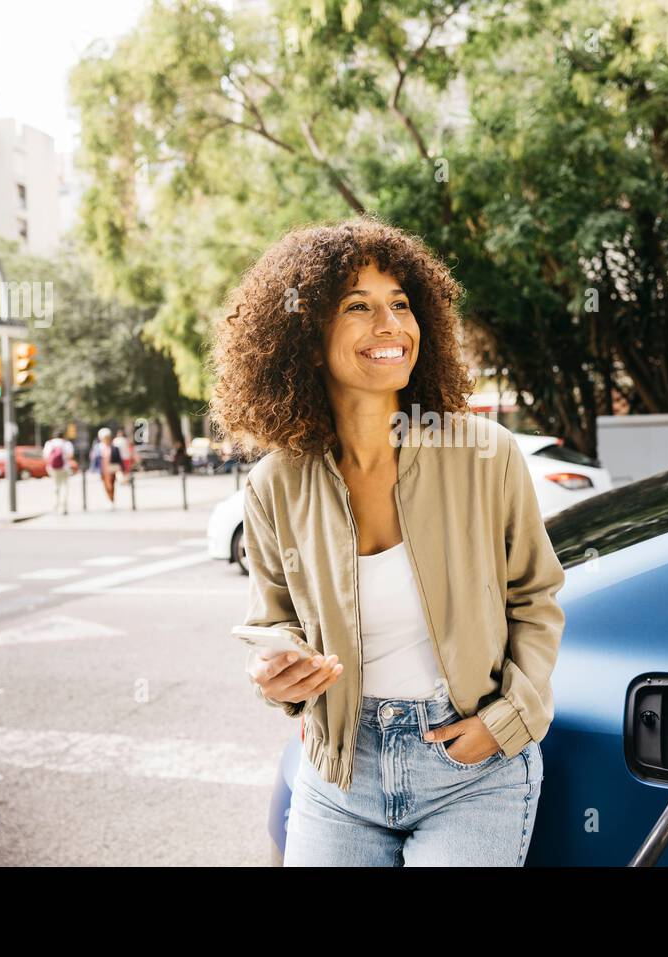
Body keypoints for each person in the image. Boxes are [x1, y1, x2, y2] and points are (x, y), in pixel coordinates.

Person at [212, 218, 565, 866]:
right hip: (341, 769)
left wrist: (507, 719)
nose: (391, 324)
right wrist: (280, 675)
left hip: (470, 770)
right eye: (358, 306)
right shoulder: (274, 485)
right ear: (306, 339)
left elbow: (537, 598)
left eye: (401, 303)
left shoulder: (483, 454)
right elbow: (276, 629)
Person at [42, 428, 75, 515]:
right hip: (65, 468)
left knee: (56, 487)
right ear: (63, 436)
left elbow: (46, 456)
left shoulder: (49, 443)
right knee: (65, 487)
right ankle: (64, 507)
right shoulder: (66, 443)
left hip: (53, 468)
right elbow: (70, 455)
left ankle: (56, 505)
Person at [92, 427, 123, 508]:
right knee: (106, 485)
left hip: (112, 468)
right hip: (103, 469)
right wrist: (93, 469)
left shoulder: (114, 447)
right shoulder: (98, 447)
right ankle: (109, 498)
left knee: (112, 484)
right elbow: (94, 459)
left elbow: (119, 458)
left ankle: (112, 499)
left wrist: (122, 468)